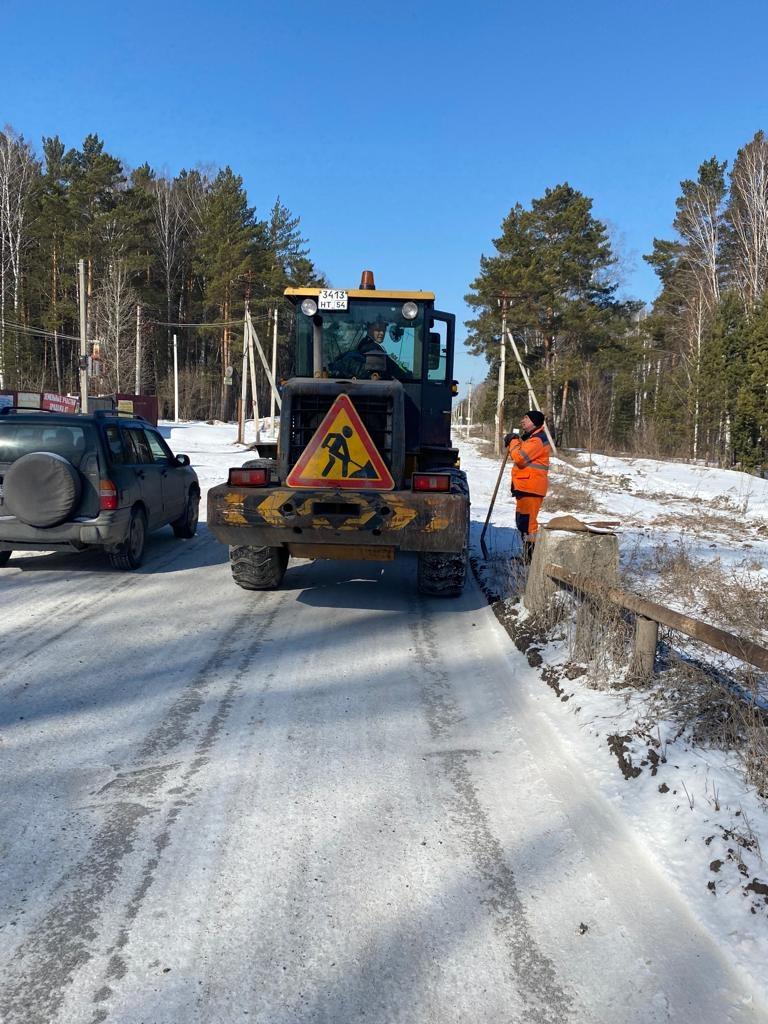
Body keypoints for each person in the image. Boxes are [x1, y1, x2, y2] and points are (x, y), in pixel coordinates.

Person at [504, 409, 550, 564]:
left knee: (529, 525)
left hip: (532, 487)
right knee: (523, 523)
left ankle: (531, 560)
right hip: (526, 487)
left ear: (535, 422)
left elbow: (519, 458)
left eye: (526, 418)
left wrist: (513, 441)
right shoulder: (531, 439)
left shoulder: (537, 440)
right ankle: (527, 557)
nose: (522, 421)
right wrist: (517, 441)